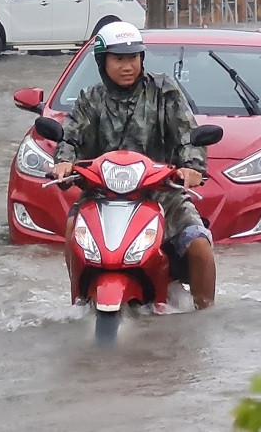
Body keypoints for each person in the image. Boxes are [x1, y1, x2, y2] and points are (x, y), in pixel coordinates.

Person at [51, 21, 217, 309]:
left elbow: (188, 136)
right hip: (100, 196)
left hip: (162, 194)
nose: (127, 66)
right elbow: (70, 138)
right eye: (118, 59)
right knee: (71, 229)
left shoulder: (164, 91)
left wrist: (191, 167)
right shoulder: (90, 99)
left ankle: (205, 315)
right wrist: (64, 163)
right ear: (103, 63)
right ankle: (78, 301)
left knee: (199, 245)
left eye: (133, 58)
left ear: (142, 58)